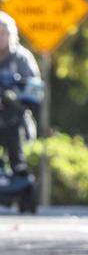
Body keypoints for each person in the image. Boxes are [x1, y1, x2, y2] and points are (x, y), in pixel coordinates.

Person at [0, 12, 42, 178]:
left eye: (2, 33)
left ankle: (19, 177)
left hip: (15, 118)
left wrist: (13, 98)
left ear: (11, 35)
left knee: (17, 157)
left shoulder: (22, 58)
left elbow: (35, 91)